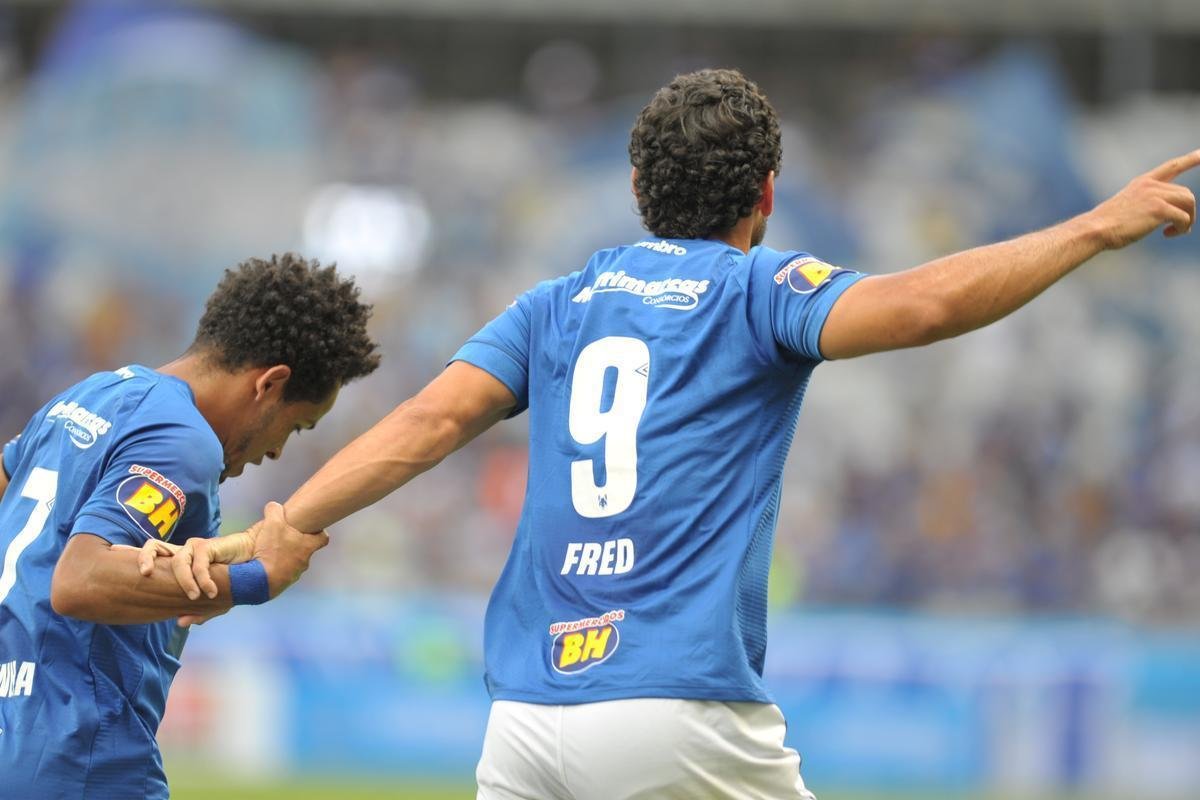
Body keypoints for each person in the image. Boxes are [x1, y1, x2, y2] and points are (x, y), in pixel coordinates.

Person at [155, 69, 1197, 799]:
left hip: (524, 720)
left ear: (644, 193)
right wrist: (1093, 225)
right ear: (767, 196)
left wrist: (286, 520)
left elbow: (428, 423)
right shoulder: (758, 290)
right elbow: (920, 308)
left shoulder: (556, 302)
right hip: (675, 709)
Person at [0, 253, 380, 799]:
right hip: (81, 758)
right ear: (270, 384)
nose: (276, 451)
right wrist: (257, 580)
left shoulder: (90, 395)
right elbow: (79, 581)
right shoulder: (184, 438)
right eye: (295, 427)